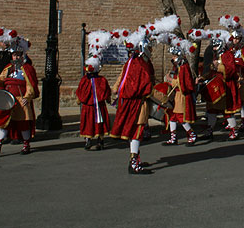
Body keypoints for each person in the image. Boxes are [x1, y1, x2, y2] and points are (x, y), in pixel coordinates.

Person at [0, 36, 38, 157]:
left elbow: (31, 85)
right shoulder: (8, 68)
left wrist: (27, 98)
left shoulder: (27, 69)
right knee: (3, 124)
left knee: (23, 124)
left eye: (18, 55)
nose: (16, 57)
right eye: (14, 55)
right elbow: (2, 79)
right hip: (8, 100)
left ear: (22, 55)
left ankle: (26, 145)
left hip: (21, 100)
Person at [110, 38, 154, 174]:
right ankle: (133, 162)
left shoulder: (134, 62)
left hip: (135, 101)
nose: (151, 51)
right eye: (150, 48)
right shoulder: (138, 64)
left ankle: (135, 158)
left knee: (136, 131)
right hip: (137, 103)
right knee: (137, 131)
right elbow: (143, 85)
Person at [163, 46, 198, 146]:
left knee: (180, 116)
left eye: (174, 56)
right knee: (173, 116)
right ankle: (173, 137)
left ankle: (192, 134)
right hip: (176, 94)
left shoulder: (183, 67)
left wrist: (170, 80)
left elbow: (181, 83)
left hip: (181, 94)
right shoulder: (178, 66)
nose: (173, 58)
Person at [76, 58, 111, 150]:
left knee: (92, 122)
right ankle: (95, 140)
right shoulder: (99, 80)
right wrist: (108, 99)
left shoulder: (96, 80)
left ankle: (93, 140)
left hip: (94, 106)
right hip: (95, 106)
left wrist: (79, 99)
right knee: (95, 122)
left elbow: (80, 91)